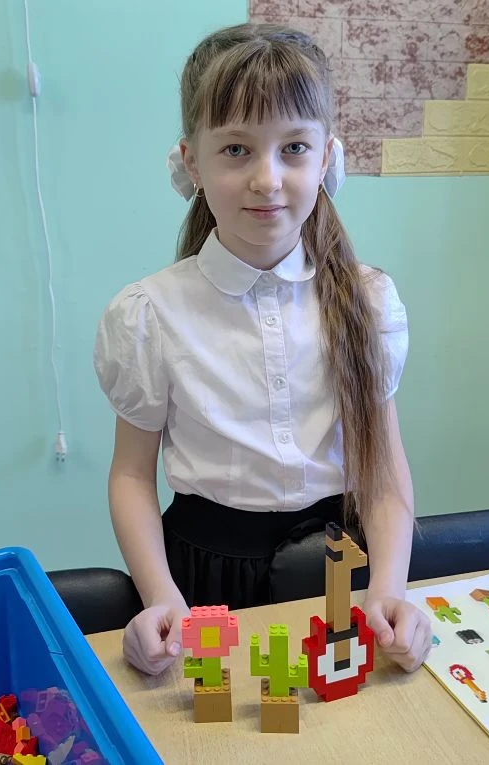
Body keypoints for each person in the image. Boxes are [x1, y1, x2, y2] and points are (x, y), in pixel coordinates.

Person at [93, 22, 431, 678]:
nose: (267, 179)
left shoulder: (368, 302)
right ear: (192, 162)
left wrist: (391, 588)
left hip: (341, 566)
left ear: (326, 157)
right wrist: (161, 597)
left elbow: (384, 472)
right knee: (217, 720)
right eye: (237, 149)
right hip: (204, 575)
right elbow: (131, 474)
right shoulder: (149, 314)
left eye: (294, 148)